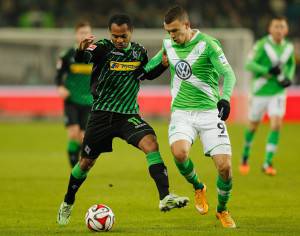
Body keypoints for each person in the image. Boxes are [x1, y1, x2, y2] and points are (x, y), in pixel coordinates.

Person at [57, 14, 189, 226]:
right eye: (115, 36)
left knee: (151, 143)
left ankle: (165, 196)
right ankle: (68, 202)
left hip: (128, 115)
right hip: (101, 115)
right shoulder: (101, 48)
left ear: (131, 33)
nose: (119, 40)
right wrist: (81, 50)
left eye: (123, 36)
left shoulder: (139, 51)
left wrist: (163, 65)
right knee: (86, 163)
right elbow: (82, 59)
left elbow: (144, 74)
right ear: (110, 34)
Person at [142, 5, 237, 228]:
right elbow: (149, 67)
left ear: (187, 25)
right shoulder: (168, 45)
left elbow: (228, 73)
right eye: (168, 32)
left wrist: (225, 98)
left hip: (209, 112)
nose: (171, 36)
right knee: (179, 152)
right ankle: (198, 186)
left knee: (224, 168)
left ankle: (222, 210)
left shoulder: (208, 44)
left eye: (175, 31)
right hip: (182, 112)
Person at [240, 17, 295, 176]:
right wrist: (268, 70)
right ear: (270, 29)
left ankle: (267, 162)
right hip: (259, 91)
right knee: (252, 126)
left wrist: (288, 77)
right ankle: (245, 156)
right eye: (276, 27)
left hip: (277, 91)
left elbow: (291, 64)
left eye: (282, 27)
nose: (279, 30)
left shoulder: (288, 48)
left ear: (286, 30)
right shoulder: (262, 45)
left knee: (277, 124)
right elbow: (248, 64)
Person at [55, 21, 93, 167]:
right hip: (72, 100)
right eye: (81, 33)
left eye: (87, 32)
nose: (84, 35)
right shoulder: (67, 55)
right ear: (76, 35)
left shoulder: (95, 54)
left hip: (90, 101)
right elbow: (58, 75)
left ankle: (80, 167)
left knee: (84, 138)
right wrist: (60, 87)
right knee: (73, 134)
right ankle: (74, 169)